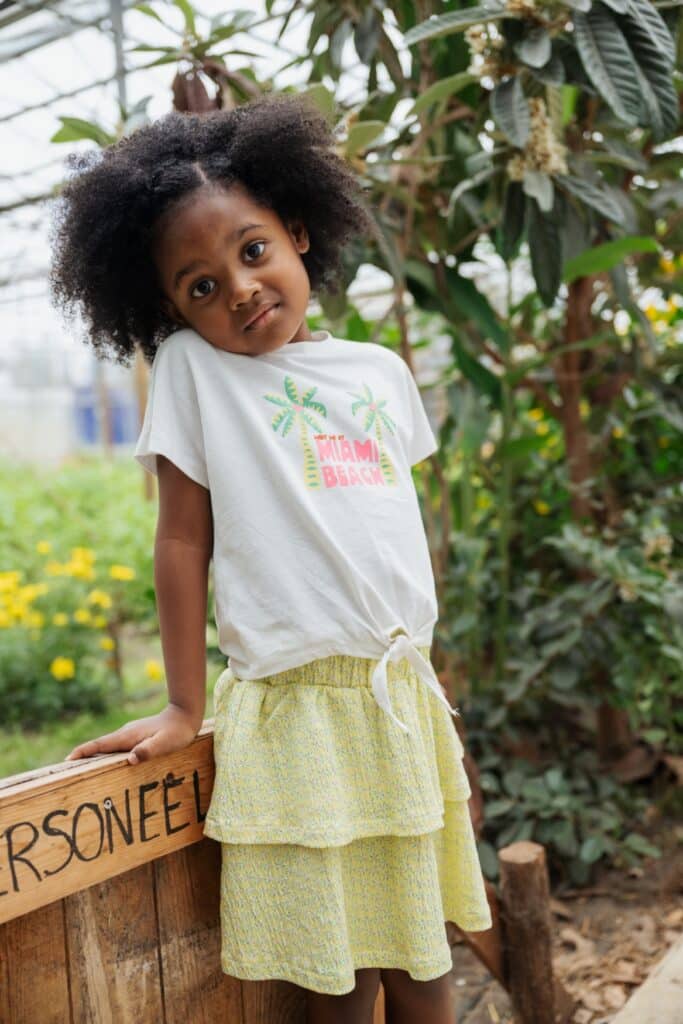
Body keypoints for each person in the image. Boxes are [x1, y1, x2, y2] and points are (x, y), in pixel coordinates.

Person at [49, 92, 492, 1024]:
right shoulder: (194, 373)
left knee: (422, 956)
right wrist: (183, 701)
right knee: (328, 975)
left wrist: (428, 686)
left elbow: (388, 535)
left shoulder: (377, 373)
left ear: (297, 233)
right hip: (293, 719)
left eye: (251, 252)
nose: (238, 287)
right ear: (165, 308)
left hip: (396, 700)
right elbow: (180, 538)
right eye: (198, 285)